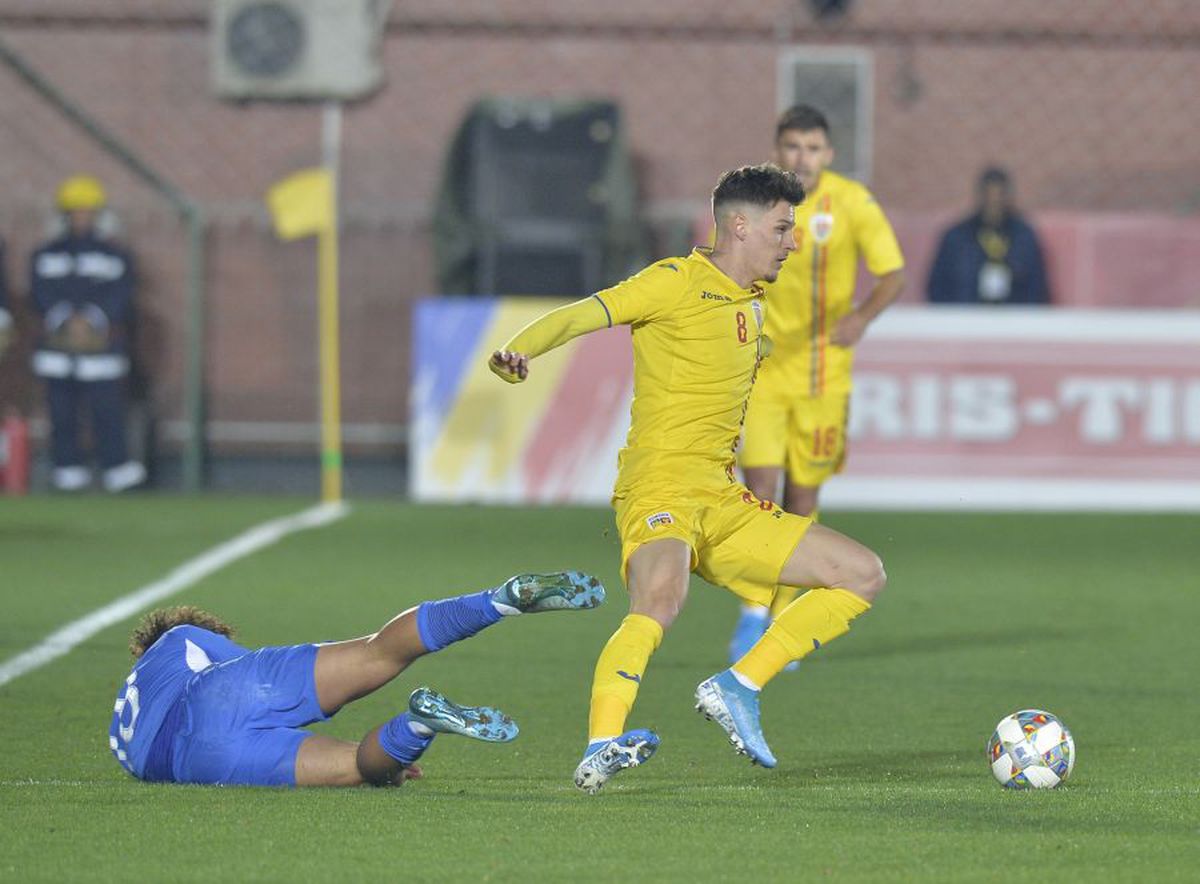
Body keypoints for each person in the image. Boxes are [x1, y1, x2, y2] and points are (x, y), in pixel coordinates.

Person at [490, 164, 888, 793]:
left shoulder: (756, 305)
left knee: (861, 574)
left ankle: (740, 683)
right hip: (660, 487)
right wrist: (519, 350)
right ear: (739, 225)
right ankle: (601, 744)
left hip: (724, 500)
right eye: (783, 228)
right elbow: (584, 314)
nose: (793, 241)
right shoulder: (672, 282)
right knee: (660, 600)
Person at [109, 571, 606, 787]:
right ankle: (499, 599)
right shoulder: (180, 640)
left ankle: (416, 729)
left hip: (190, 760)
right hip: (221, 698)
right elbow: (233, 681)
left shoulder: (121, 731)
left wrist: (387, 760)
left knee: (359, 767)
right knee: (376, 652)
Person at [729, 104, 905, 664]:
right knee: (760, 495)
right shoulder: (755, 202)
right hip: (765, 372)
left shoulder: (852, 203)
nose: (801, 157)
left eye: (812, 148)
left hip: (825, 377)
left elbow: (892, 273)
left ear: (828, 154)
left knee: (802, 500)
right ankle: (753, 611)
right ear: (776, 150)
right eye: (792, 147)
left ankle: (784, 617)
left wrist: (860, 317)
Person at [30, 174, 145, 492]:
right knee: (62, 412)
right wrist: (66, 320)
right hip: (58, 346)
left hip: (101, 347)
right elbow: (40, 293)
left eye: (88, 212)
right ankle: (67, 469)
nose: (82, 219)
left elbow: (121, 294)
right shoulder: (46, 253)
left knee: (106, 410)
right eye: (75, 212)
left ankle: (115, 467)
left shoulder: (114, 254)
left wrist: (93, 320)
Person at [927, 166, 1050, 305]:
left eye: (999, 197)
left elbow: (1037, 286)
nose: (994, 203)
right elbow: (937, 286)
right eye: (989, 197)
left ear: (1008, 198)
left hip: (1013, 318)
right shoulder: (957, 237)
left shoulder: (1023, 237)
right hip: (966, 316)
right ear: (980, 197)